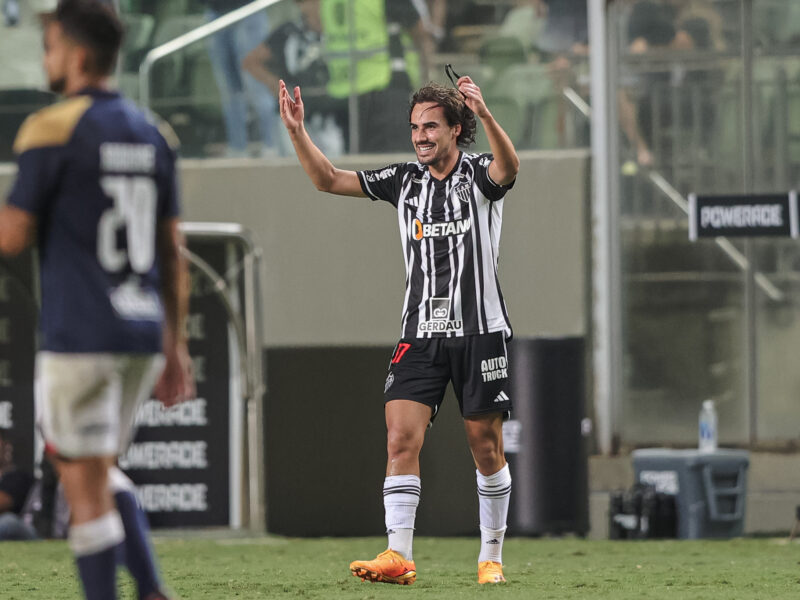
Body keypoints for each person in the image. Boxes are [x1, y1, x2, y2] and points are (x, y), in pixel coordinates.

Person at [278, 73, 519, 585]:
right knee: (399, 439)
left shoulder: (479, 175)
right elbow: (327, 179)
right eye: (415, 127)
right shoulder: (402, 181)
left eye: (432, 126)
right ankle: (399, 555)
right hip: (420, 335)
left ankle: (490, 556)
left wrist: (488, 112)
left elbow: (510, 166)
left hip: (480, 331)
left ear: (457, 129)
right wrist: (298, 131)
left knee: (484, 445)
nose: (421, 136)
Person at [0, 2, 193, 599]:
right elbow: (173, 251)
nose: (46, 58)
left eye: (50, 46)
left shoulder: (51, 128)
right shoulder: (154, 133)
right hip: (138, 331)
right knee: (98, 470)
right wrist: (175, 342)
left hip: (80, 333)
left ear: (77, 54)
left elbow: (12, 236)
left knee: (83, 490)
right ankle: (153, 590)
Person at [319, 0, 434, 153]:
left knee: (359, 167)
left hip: (346, 92)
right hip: (385, 88)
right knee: (395, 163)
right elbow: (419, 32)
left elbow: (315, 23)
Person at [241, 0, 343, 156]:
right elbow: (251, 62)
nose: (314, 7)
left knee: (335, 166)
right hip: (295, 112)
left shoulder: (339, 31)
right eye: (307, 3)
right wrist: (276, 85)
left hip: (331, 114)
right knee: (297, 166)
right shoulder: (289, 32)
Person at [203, 0, 277, 157]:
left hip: (249, 10)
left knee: (256, 83)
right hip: (216, 12)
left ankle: (272, 146)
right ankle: (237, 147)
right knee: (229, 89)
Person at [0, 429, 36, 540]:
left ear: (5, 445)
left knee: (7, 521)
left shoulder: (17, 476)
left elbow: (3, 502)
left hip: (24, 532)